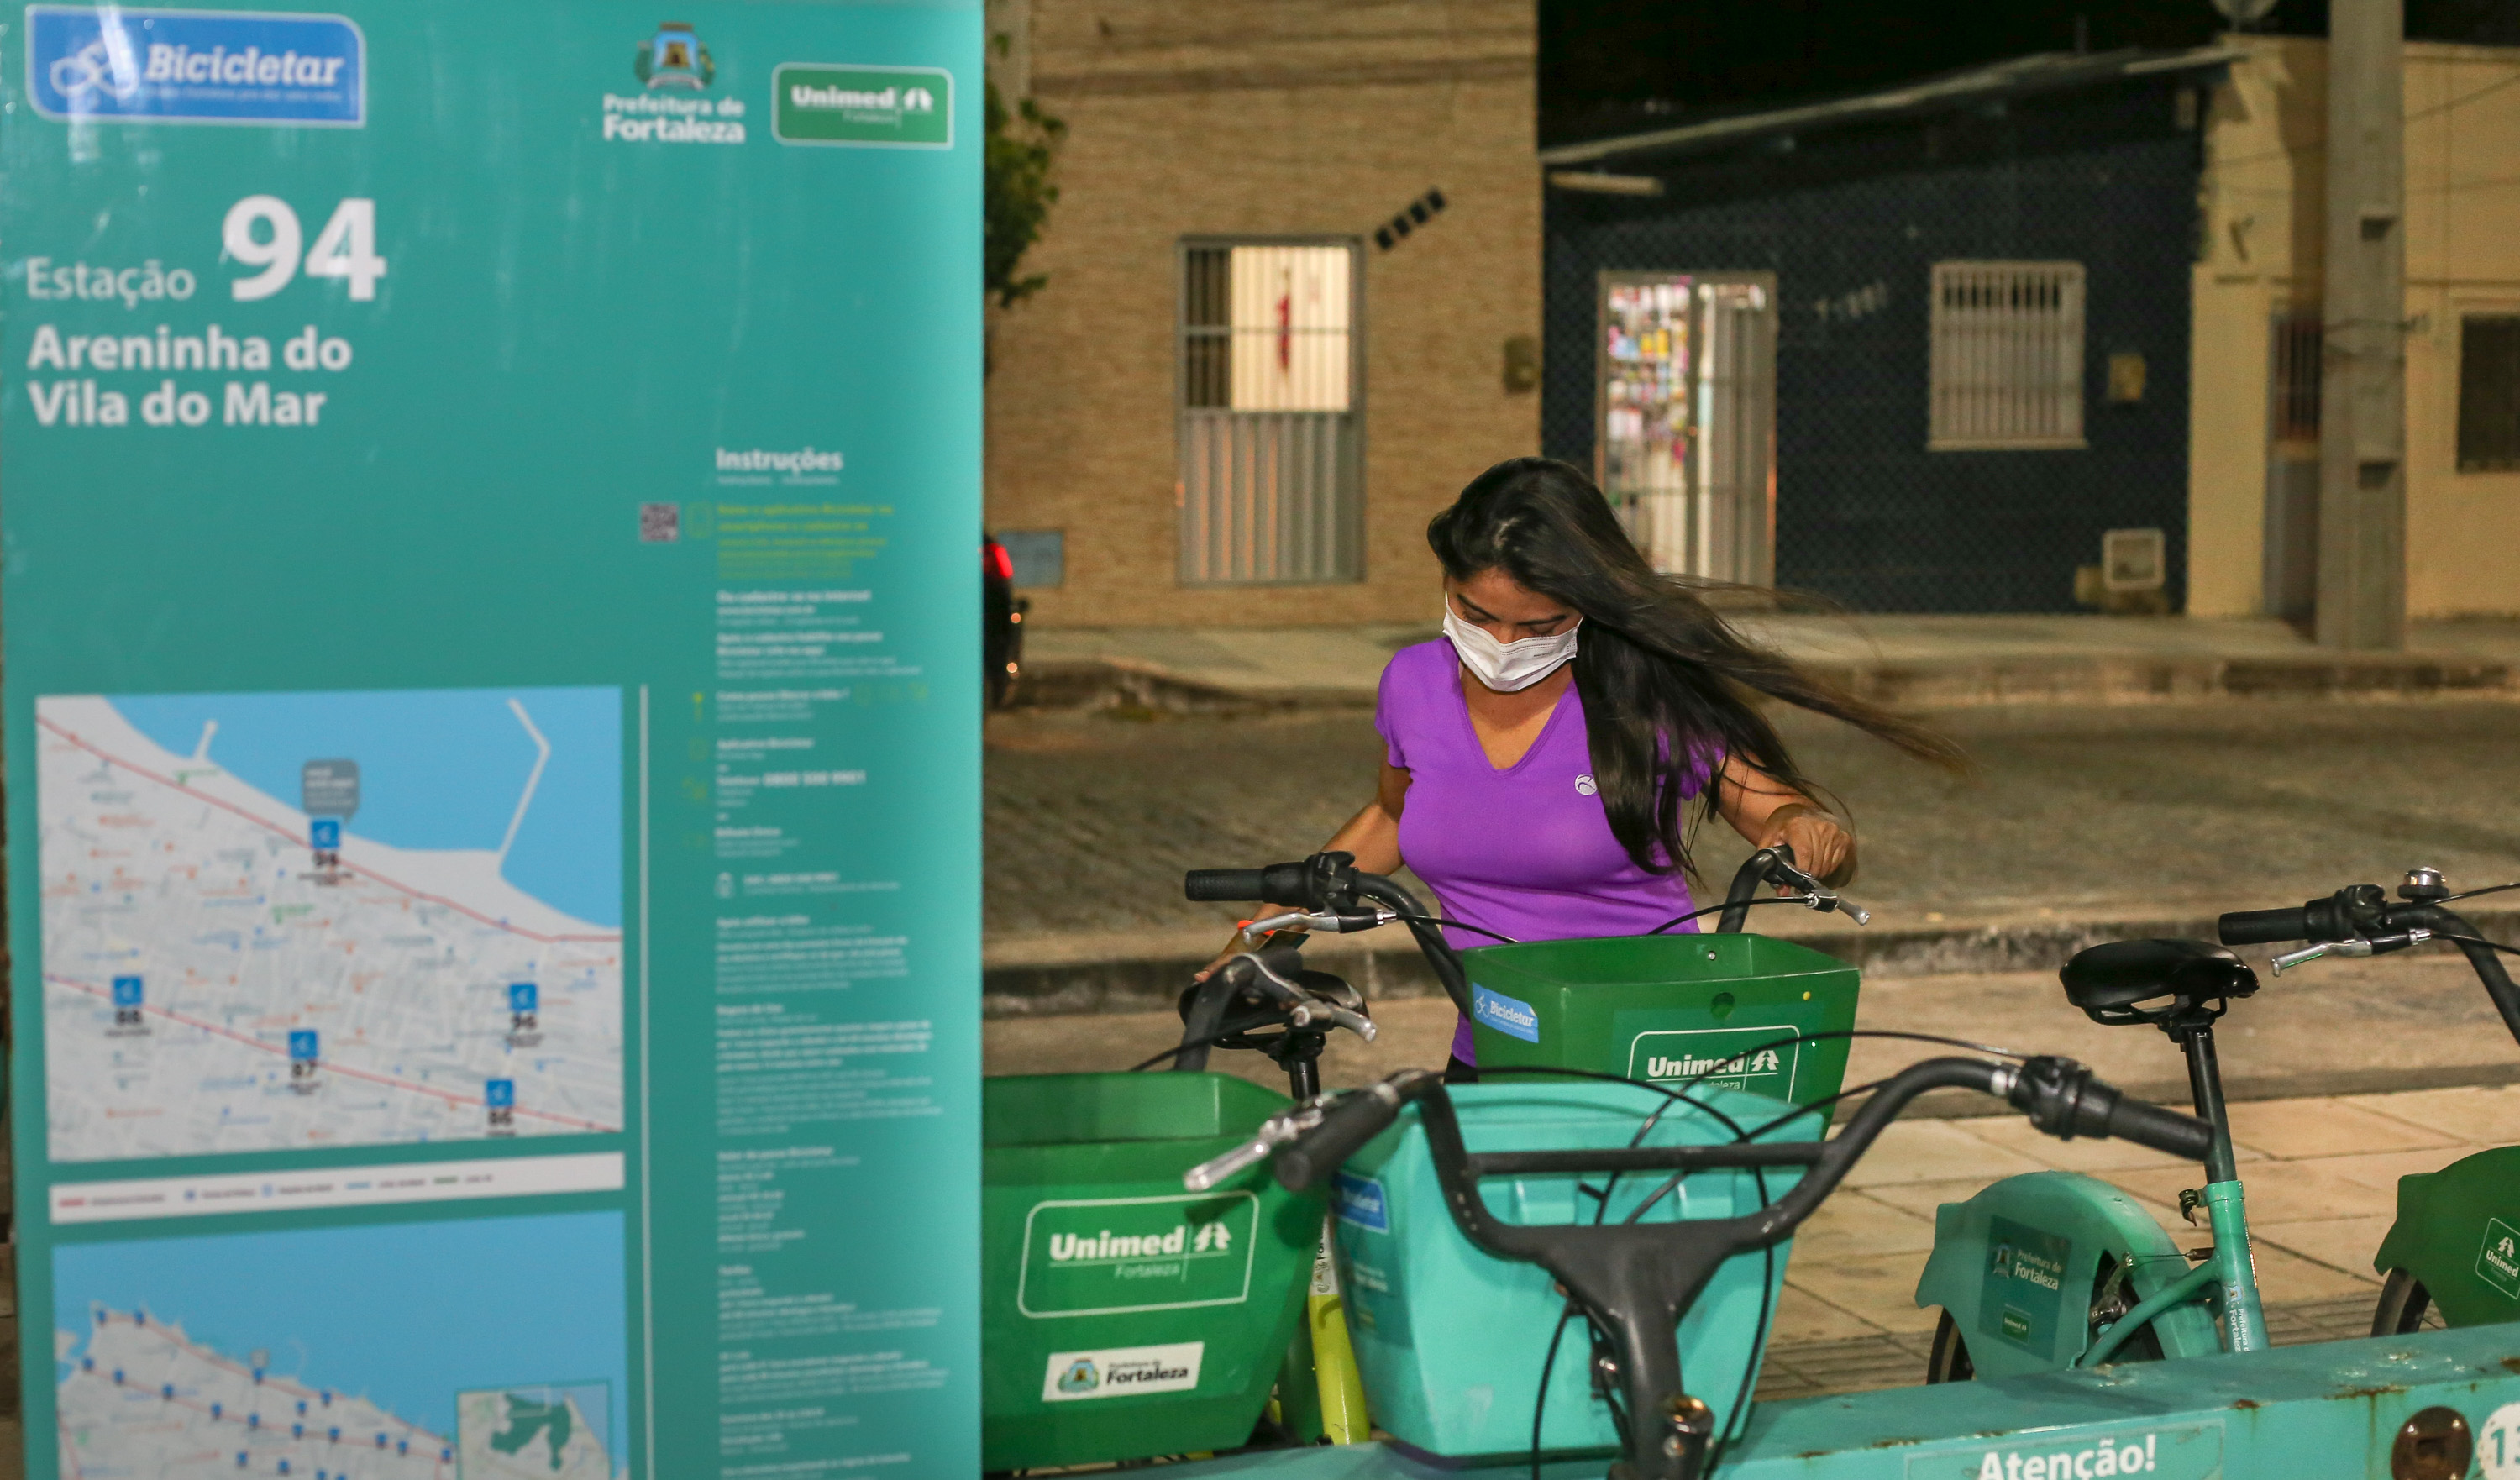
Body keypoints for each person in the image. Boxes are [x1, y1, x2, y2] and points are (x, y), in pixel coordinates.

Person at [1200, 457, 1965, 1080]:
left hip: (1651, 1054)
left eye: (1539, 624)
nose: (1503, 642)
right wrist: (1253, 940)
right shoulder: (1412, 683)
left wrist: (1805, 827)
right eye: (1475, 613)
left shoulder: (1644, 693)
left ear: (1587, 606)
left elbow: (1772, 809)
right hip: (1495, 1047)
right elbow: (1392, 817)